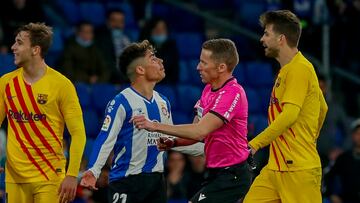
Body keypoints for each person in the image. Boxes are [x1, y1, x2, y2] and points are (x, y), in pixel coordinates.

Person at [80, 40, 203, 203]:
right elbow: (105, 139)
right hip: (127, 181)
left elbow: (174, 140)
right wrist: (94, 171)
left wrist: (210, 150)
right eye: (153, 58)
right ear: (140, 69)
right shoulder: (121, 101)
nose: (161, 61)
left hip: (157, 182)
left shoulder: (163, 102)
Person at [132, 38, 252, 203]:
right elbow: (196, 132)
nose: (198, 67)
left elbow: (200, 130)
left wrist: (155, 126)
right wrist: (174, 143)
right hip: (215, 172)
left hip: (233, 175)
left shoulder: (233, 93)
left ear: (221, 67)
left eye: (203, 62)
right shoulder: (208, 90)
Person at [243, 10, 328, 203]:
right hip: (276, 167)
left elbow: (290, 115)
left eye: (266, 34)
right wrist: (310, 137)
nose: (261, 39)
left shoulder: (299, 69)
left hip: (297, 170)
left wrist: (255, 144)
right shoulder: (287, 70)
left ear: (281, 39)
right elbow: (323, 108)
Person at [0, 22, 86, 203]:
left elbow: (78, 133)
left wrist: (71, 175)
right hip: (14, 178)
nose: (13, 47)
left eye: (19, 42)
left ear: (35, 50)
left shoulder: (62, 85)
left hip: (49, 176)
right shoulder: (6, 83)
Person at [324, 118, 360, 203]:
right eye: (358, 133)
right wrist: (331, 194)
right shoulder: (344, 158)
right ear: (353, 136)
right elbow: (328, 176)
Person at [95, 9, 132, 84]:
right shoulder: (100, 39)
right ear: (107, 22)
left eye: (121, 22)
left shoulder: (128, 38)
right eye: (114, 21)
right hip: (111, 78)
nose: (117, 25)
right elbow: (106, 63)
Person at [139, 17, 180, 84]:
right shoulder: (143, 47)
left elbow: (174, 71)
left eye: (163, 29)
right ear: (150, 30)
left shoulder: (172, 46)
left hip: (168, 84)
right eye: (156, 29)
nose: (160, 32)